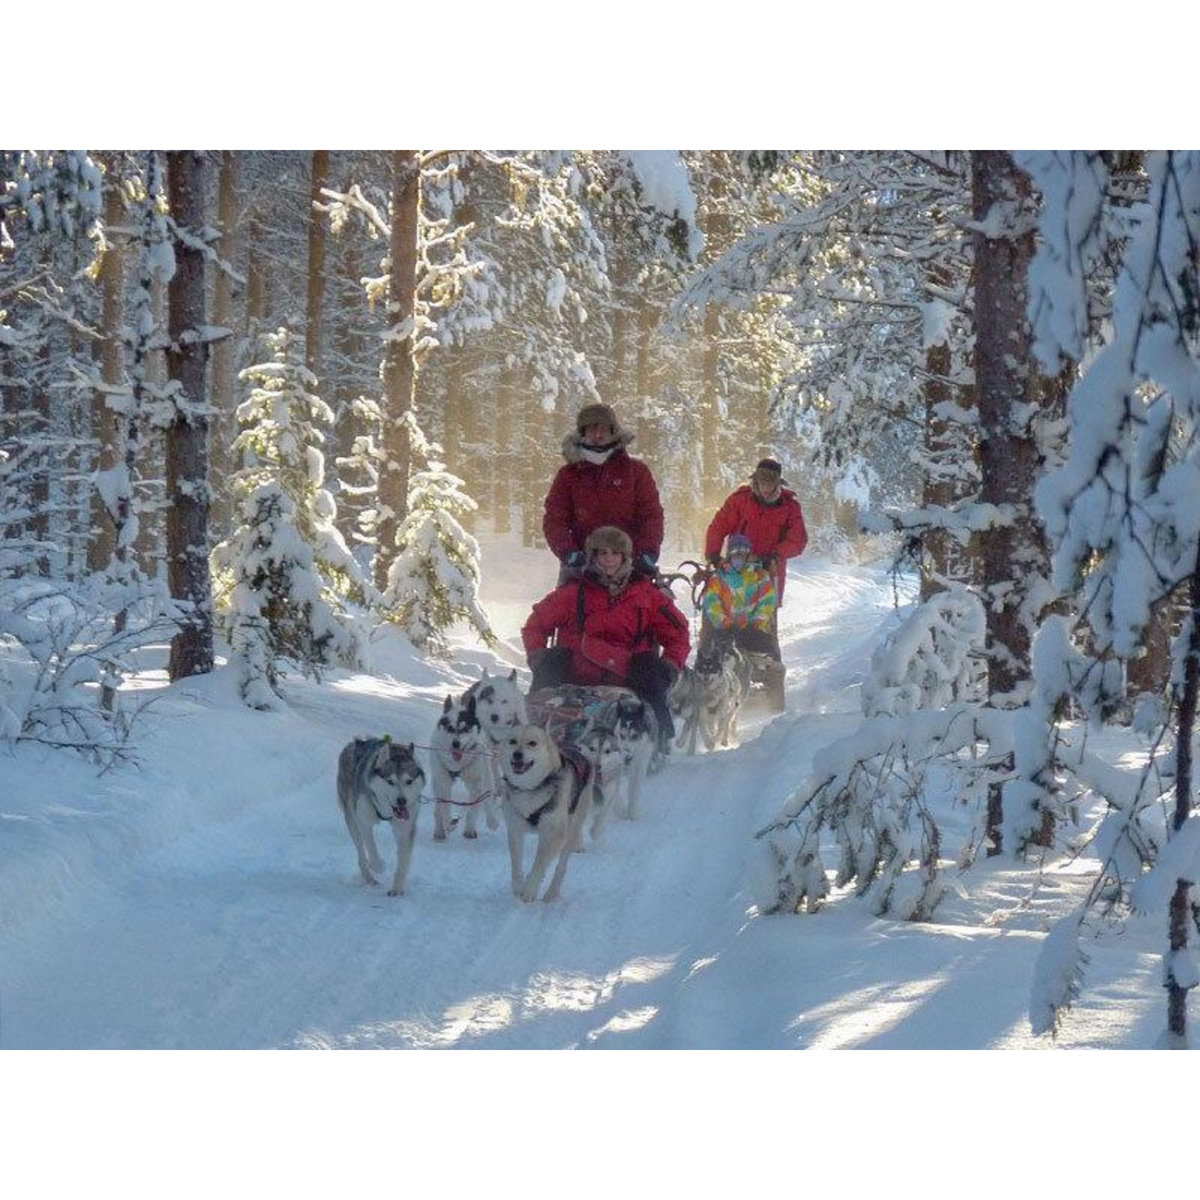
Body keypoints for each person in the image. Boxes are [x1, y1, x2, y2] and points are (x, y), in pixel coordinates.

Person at [522, 525, 690, 751]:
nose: (609, 559)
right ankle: (531, 739)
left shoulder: (646, 596)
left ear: (625, 557)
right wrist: (539, 657)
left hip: (629, 675)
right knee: (552, 660)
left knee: (648, 665)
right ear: (593, 557)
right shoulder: (573, 593)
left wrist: (669, 666)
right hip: (576, 673)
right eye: (603, 553)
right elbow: (536, 625)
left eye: (615, 553)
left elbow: (678, 633)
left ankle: (658, 741)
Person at [543, 402, 664, 585]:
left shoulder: (636, 471)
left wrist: (647, 553)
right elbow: (555, 519)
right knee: (565, 612)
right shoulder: (568, 475)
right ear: (582, 433)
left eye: (604, 429)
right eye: (592, 429)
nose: (598, 435)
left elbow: (651, 515)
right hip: (580, 569)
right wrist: (569, 553)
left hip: (631, 566)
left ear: (613, 431)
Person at [704, 458, 807, 604]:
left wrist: (776, 556)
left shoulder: (790, 507)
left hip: (770, 570)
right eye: (762, 483)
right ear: (756, 481)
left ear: (778, 484)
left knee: (765, 616)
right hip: (737, 566)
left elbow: (798, 540)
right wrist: (713, 555)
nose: (765, 488)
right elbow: (718, 527)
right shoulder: (739, 500)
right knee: (729, 610)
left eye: (770, 484)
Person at [699, 533, 779, 660]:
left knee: (768, 648)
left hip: (752, 631)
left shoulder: (760, 576)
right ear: (729, 554)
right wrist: (726, 625)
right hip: (725, 631)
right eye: (735, 553)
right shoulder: (719, 577)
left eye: (743, 553)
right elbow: (711, 603)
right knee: (712, 650)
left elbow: (767, 603)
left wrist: (754, 625)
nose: (739, 557)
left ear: (748, 555)